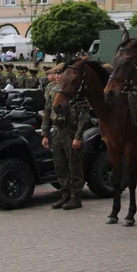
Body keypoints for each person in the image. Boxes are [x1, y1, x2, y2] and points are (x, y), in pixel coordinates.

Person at [41, 63, 90, 211]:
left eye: (60, 73)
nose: (57, 76)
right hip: (58, 130)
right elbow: (48, 111)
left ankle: (76, 197)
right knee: (60, 165)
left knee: (73, 164)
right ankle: (65, 194)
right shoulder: (52, 89)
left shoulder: (75, 90)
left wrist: (78, 136)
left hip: (71, 130)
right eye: (55, 73)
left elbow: (84, 115)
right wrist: (45, 133)